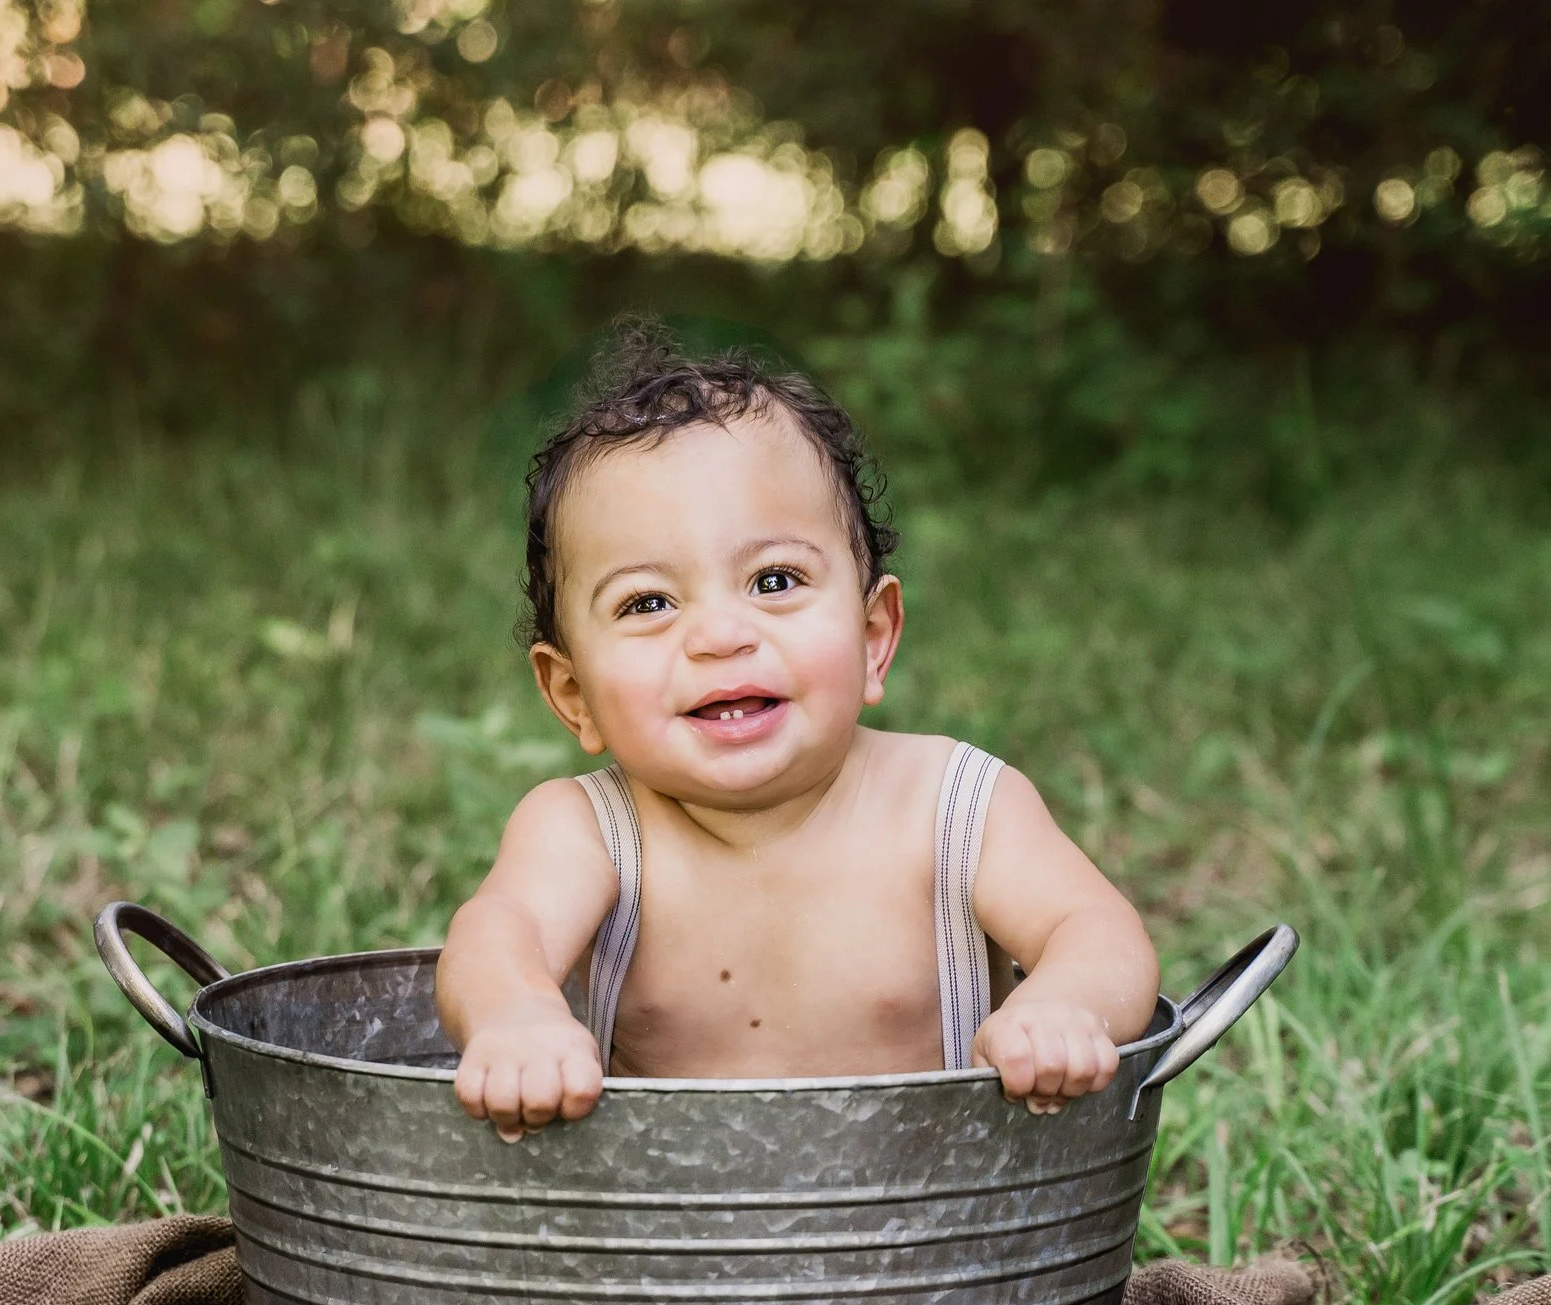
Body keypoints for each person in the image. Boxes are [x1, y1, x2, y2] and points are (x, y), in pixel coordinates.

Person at [435, 321, 1159, 1142]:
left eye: (773, 580)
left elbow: (1098, 930)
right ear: (574, 696)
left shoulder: (957, 803)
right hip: (657, 1248)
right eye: (648, 603)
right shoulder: (587, 828)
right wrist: (518, 1013)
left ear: (874, 635)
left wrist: (1066, 1003)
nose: (718, 635)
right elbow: (500, 933)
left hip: (938, 1235)